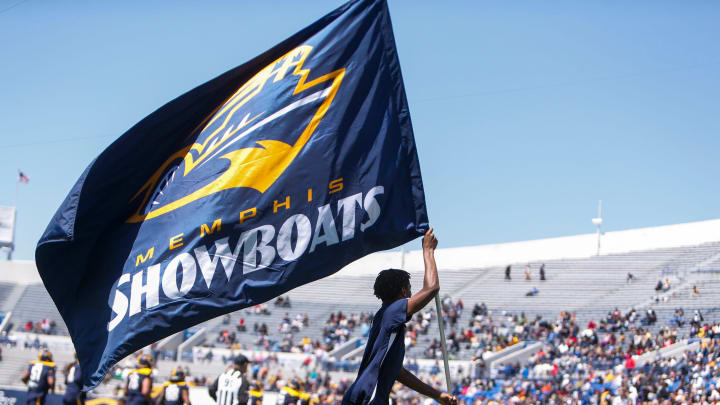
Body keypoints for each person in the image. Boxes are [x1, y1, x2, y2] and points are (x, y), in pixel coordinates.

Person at [342, 228, 457, 405]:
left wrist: (436, 395)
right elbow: (431, 288)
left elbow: (397, 371)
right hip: (369, 396)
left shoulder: (385, 318)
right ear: (403, 291)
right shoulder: (392, 311)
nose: (412, 294)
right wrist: (428, 251)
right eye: (410, 289)